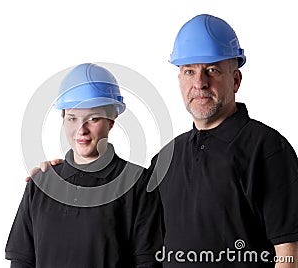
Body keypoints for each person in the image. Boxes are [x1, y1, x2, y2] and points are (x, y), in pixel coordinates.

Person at [29, 15, 298, 267]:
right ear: (180, 79)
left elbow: (289, 253)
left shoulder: (267, 148)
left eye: (213, 70)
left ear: (236, 79)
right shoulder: (165, 160)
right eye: (189, 71)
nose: (200, 83)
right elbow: (117, 218)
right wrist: (68, 171)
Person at [5, 63, 163, 268]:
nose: (81, 130)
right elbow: (22, 260)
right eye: (72, 118)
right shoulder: (41, 183)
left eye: (93, 118)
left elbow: (148, 262)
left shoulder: (137, 183)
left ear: (111, 121)